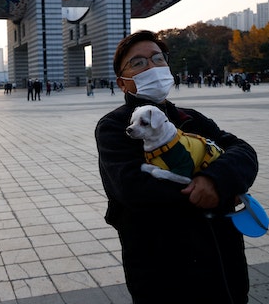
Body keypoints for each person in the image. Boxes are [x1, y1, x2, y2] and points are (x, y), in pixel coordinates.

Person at [95, 30, 259, 304]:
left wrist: (215, 181)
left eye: (158, 58)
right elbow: (133, 188)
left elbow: (244, 153)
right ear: (123, 83)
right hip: (163, 268)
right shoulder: (117, 127)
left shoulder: (191, 119)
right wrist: (211, 190)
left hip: (222, 260)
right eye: (138, 63)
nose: (152, 66)